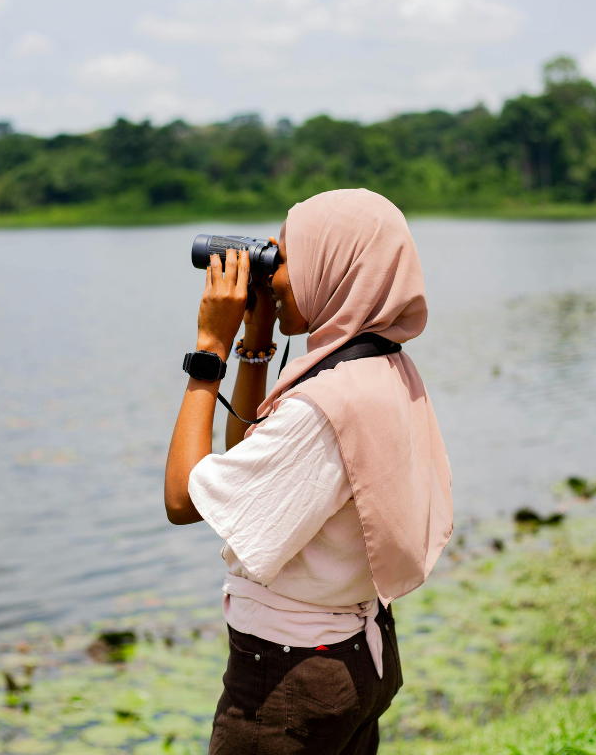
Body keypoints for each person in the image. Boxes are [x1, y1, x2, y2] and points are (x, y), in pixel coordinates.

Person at [164, 188, 453, 754]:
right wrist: (256, 337)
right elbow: (247, 446)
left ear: (333, 268)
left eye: (287, 258)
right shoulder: (380, 366)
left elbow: (183, 500)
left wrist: (208, 351)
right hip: (356, 655)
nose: (272, 275)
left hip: (289, 684)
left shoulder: (323, 407)